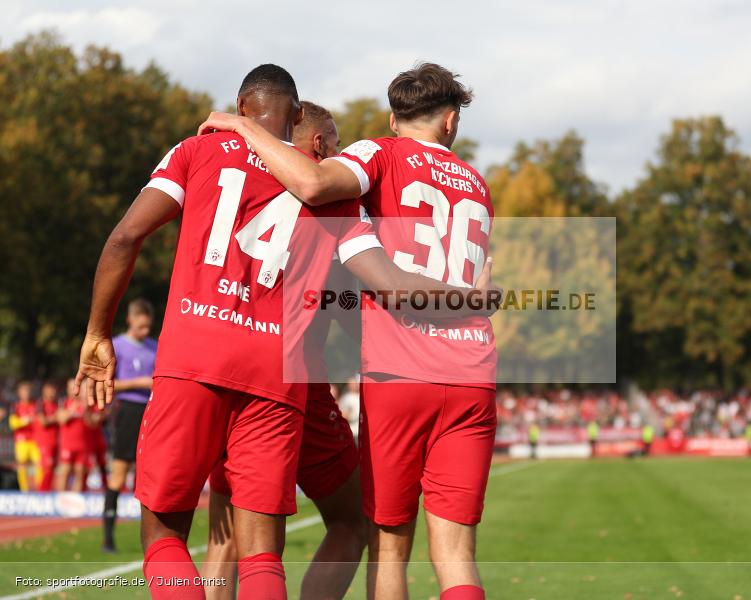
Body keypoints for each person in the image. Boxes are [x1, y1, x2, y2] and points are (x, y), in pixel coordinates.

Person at [80, 64, 497, 600]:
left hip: (199, 356)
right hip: (291, 375)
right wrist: (467, 306)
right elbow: (370, 285)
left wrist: (97, 333)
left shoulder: (198, 151)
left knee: (183, 536)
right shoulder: (365, 196)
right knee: (269, 548)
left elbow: (124, 238)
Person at [200, 100, 366, 600]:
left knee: (226, 534)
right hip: (295, 380)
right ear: (318, 144)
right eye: (334, 142)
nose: (338, 153)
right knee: (351, 519)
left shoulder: (233, 181)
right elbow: (348, 310)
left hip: (223, 364)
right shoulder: (329, 201)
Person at [103, 298, 156, 552]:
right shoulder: (117, 346)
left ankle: (149, 537)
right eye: (141, 327)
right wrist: (139, 382)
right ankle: (108, 538)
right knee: (119, 473)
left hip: (152, 411)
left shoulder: (154, 347)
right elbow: (108, 384)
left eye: (148, 327)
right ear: (130, 320)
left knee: (148, 476)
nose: (145, 332)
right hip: (127, 412)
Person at [57, 379, 90, 491]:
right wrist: (73, 409)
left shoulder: (85, 404)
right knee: (65, 471)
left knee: (80, 472)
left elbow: (92, 423)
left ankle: (75, 502)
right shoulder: (64, 402)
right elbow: (61, 419)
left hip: (82, 445)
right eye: (71, 387)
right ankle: (61, 499)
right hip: (68, 444)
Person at [10, 381, 40, 491]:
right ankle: (24, 491)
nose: (26, 393)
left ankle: (39, 490)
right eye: (23, 390)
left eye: (28, 390)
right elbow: (12, 423)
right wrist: (24, 421)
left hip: (35, 441)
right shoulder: (15, 406)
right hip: (21, 442)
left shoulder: (36, 405)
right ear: (19, 392)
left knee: (38, 466)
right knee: (22, 467)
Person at [35, 381, 61, 491]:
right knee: (47, 468)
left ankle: (48, 491)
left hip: (56, 441)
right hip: (45, 442)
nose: (52, 393)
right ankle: (42, 493)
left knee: (53, 469)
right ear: (44, 391)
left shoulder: (57, 404)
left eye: (54, 390)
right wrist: (56, 417)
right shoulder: (40, 404)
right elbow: (43, 422)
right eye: (50, 390)